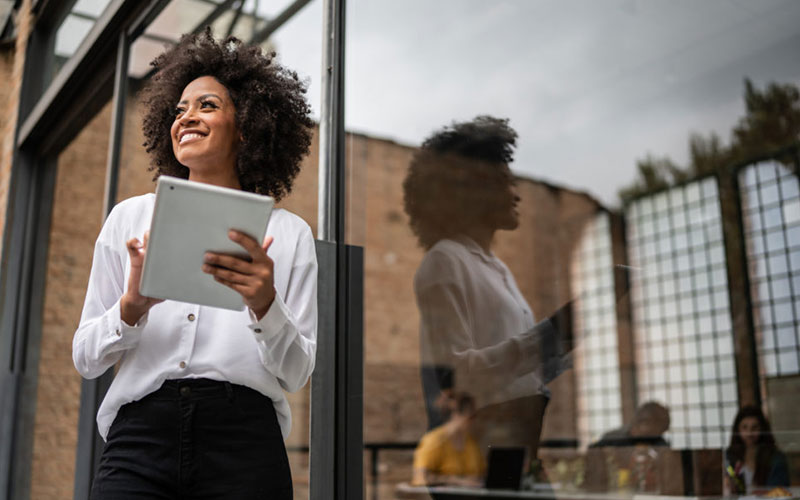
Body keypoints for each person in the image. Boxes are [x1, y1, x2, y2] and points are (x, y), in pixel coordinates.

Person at [72, 28, 316, 499]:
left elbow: (297, 372)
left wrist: (266, 306)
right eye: (179, 109)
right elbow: (85, 356)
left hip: (244, 445)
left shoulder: (288, 234)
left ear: (246, 125)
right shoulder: (130, 218)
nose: (186, 117)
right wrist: (131, 307)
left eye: (206, 105)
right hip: (139, 439)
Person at [403, 116, 573, 462]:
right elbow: (460, 375)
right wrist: (548, 338)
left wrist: (571, 337)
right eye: (504, 182)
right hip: (483, 452)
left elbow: (521, 371)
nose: (517, 195)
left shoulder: (496, 268)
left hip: (518, 443)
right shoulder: (444, 261)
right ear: (472, 190)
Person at [412, 392, 486, 487]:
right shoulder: (433, 441)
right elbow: (420, 478)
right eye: (471, 416)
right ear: (455, 415)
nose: (474, 421)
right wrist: (457, 481)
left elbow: (481, 473)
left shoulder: (471, 442)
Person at [724, 405, 789, 494]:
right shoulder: (729, 456)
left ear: (762, 429)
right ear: (738, 430)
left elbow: (778, 491)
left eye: (755, 428)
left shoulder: (776, 457)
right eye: (744, 427)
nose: (749, 433)